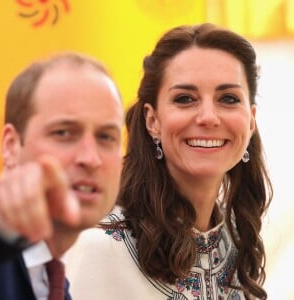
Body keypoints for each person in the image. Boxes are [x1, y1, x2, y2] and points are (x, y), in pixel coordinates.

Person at [65, 23, 273, 300]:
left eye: (228, 98)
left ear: (251, 120)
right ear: (153, 121)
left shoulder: (236, 239)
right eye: (185, 99)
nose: (208, 117)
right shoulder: (101, 248)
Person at [0, 52, 124, 299]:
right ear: (11, 146)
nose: (90, 158)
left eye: (106, 136)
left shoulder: (55, 288)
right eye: (64, 133)